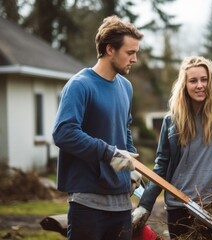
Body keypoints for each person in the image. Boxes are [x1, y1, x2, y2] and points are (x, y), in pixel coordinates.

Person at [131, 56, 212, 239]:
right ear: (184, 85)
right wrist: (145, 205)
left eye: (204, 79)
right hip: (180, 207)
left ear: (211, 82)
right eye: (193, 80)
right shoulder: (172, 122)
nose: (200, 85)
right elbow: (161, 167)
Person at [52, 15, 144, 240]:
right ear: (110, 49)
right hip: (88, 202)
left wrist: (131, 164)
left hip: (122, 203)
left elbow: (124, 129)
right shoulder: (80, 85)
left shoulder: (126, 87)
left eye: (136, 53)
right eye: (130, 53)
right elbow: (63, 133)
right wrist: (110, 153)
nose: (134, 59)